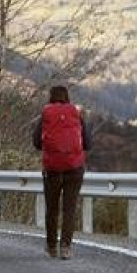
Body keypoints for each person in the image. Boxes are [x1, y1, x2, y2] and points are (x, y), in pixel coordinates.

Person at [32, 83, 93, 260]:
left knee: (52, 208)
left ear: (51, 96)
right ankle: (65, 247)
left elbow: (36, 143)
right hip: (74, 167)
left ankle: (51, 246)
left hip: (52, 167)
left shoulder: (45, 114)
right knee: (69, 208)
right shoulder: (76, 113)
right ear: (67, 97)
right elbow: (88, 143)